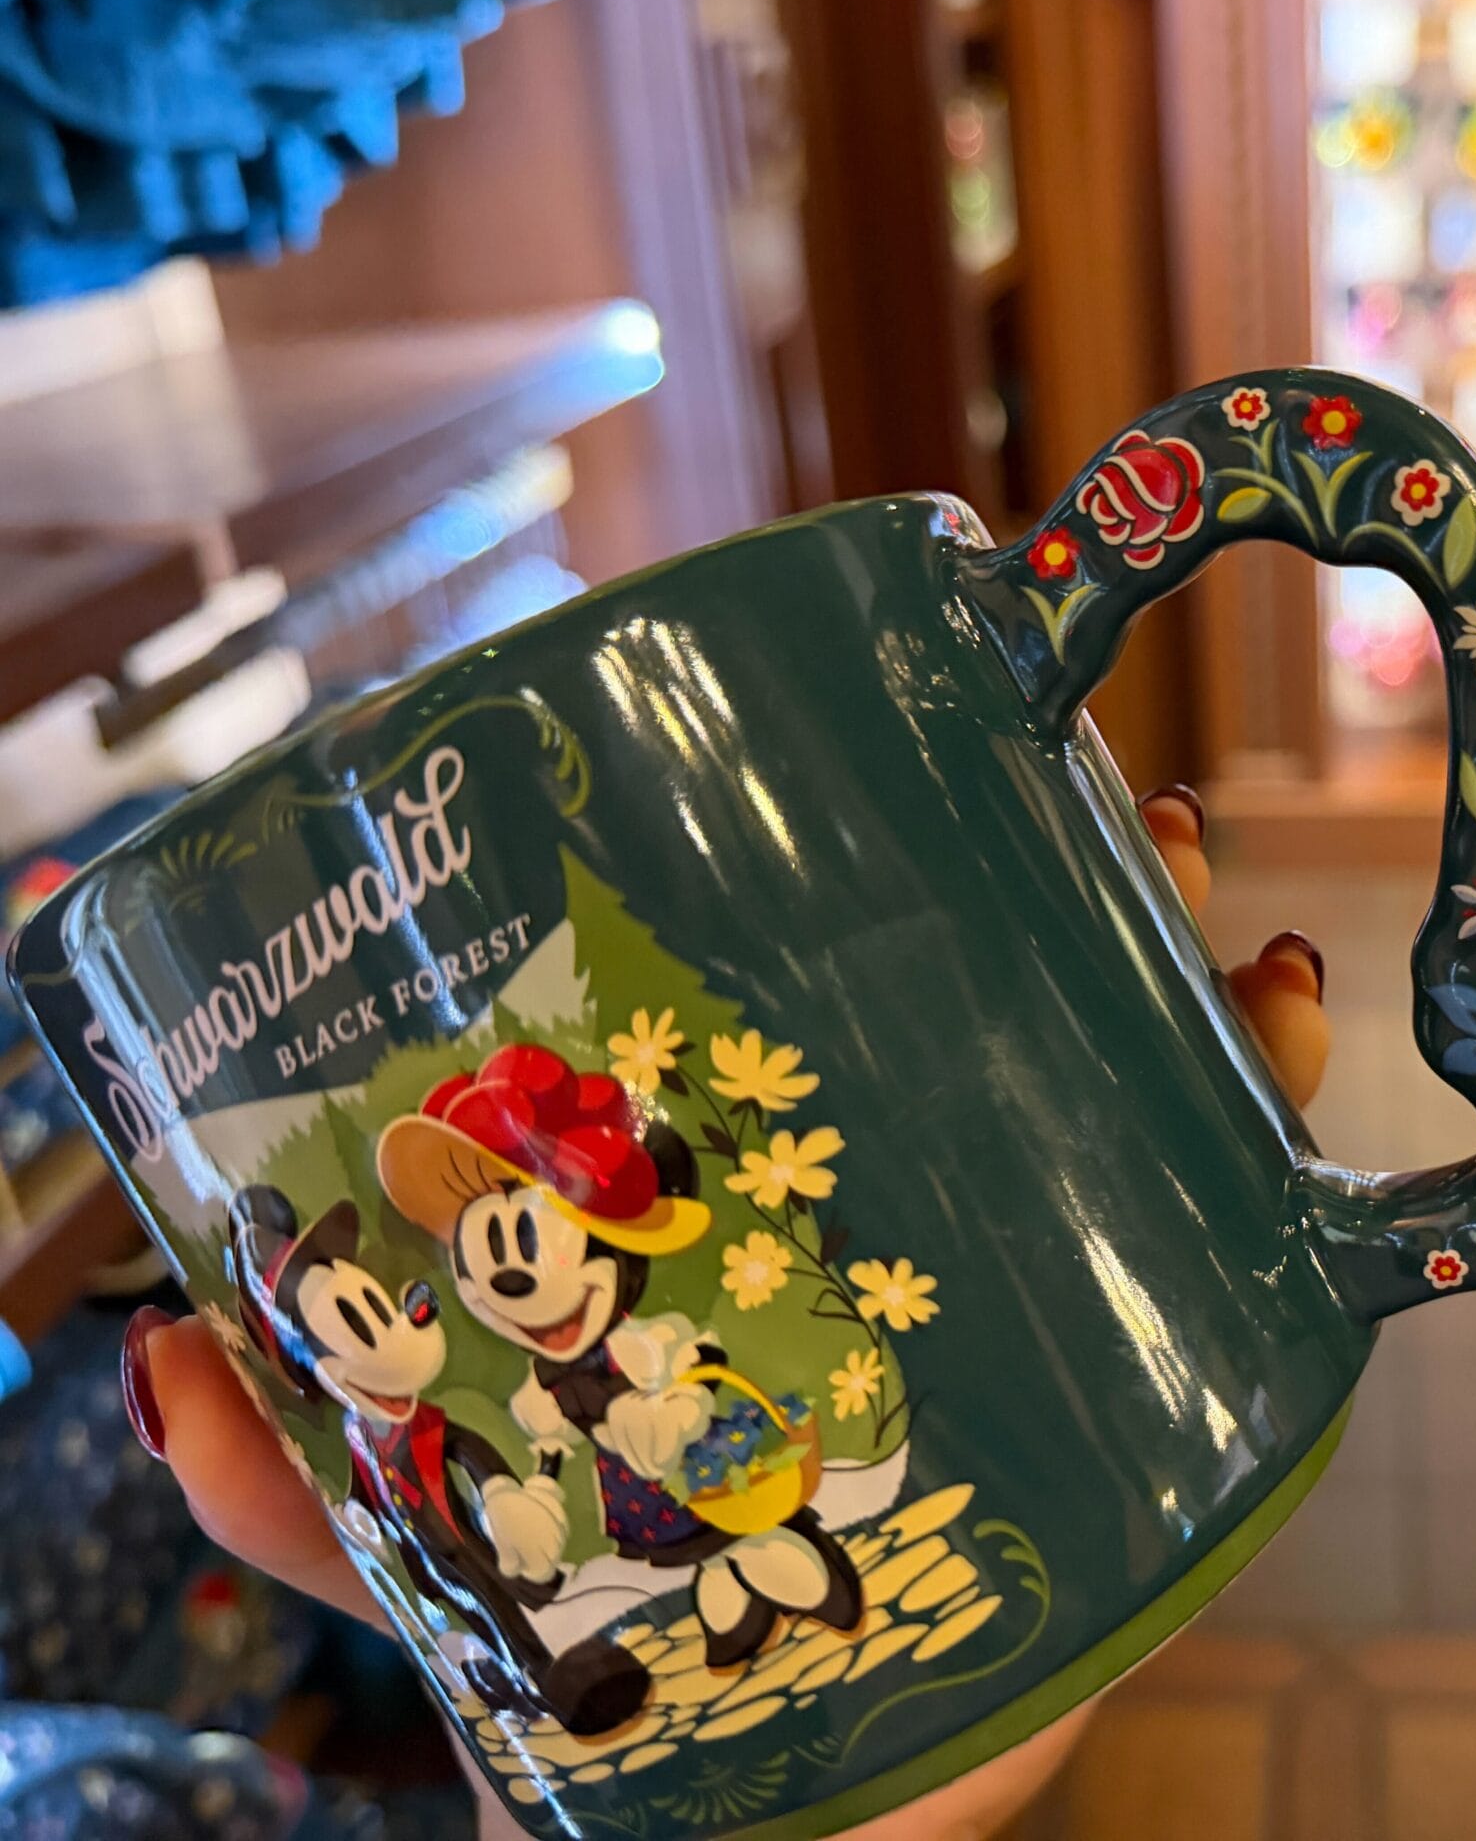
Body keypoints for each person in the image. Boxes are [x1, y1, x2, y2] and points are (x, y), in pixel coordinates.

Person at [108, 786, 1328, 1841]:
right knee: (700, 1555)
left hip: (712, 1442)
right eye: (485, 1258)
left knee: (755, 1519)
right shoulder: (512, 1396)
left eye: (527, 1240)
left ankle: (801, 1575)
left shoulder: (650, 1338)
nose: (505, 1280)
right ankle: (760, 1599)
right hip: (645, 1517)